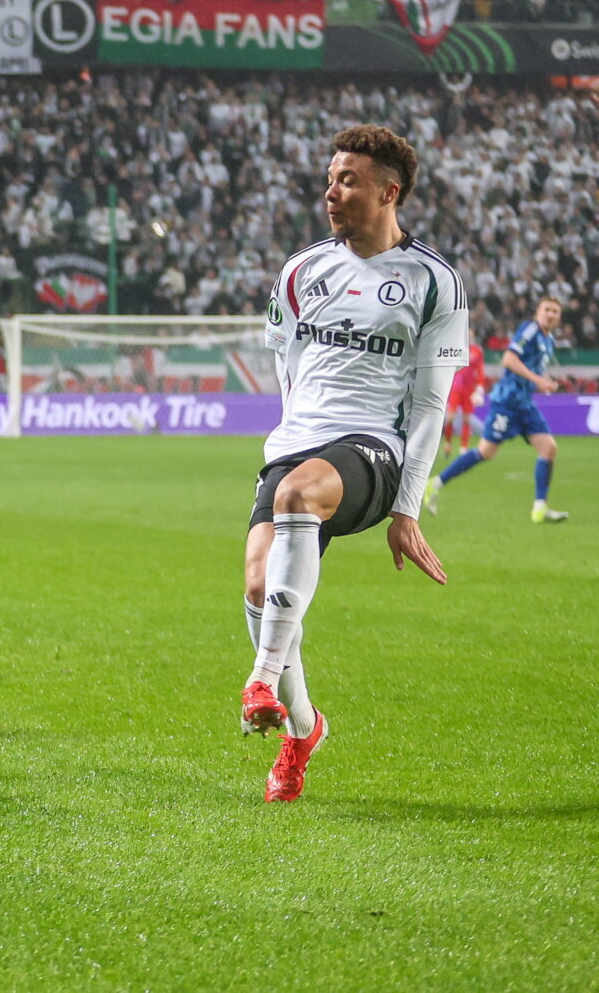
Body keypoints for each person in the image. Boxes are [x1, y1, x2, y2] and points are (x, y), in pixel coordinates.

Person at [241, 125, 467, 803]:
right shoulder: (300, 270)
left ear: (388, 191)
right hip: (296, 444)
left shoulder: (434, 282)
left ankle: (260, 674)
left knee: (299, 497)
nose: (331, 192)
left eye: (348, 180)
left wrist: (408, 505)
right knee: (258, 587)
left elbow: (431, 406)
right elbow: (287, 365)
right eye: (329, 178)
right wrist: (289, 439)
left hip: (375, 449)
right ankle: (303, 730)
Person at [426, 298, 568, 523]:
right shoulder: (530, 329)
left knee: (549, 448)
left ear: (559, 317)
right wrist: (537, 380)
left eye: (555, 311)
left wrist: (544, 382)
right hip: (507, 402)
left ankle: (539, 508)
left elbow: (531, 369)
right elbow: (509, 359)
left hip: (524, 403)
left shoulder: (548, 339)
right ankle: (435, 484)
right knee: (485, 452)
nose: (550, 314)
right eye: (546, 309)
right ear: (538, 312)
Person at [439, 341, 484, 456]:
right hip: (456, 387)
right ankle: (448, 443)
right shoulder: (455, 347)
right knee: (450, 417)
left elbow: (480, 370)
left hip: (469, 389)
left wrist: (479, 387)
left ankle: (463, 447)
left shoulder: (477, 351)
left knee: (466, 419)